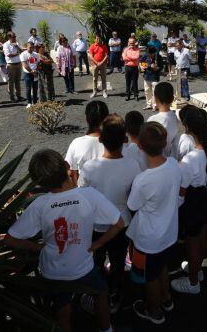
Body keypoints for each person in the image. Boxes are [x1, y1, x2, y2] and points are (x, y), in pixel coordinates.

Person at [5, 149, 123, 332]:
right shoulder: (89, 196)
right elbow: (119, 223)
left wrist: (34, 247)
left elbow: (10, 239)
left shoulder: (39, 205)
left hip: (53, 271)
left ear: (39, 183)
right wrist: (98, 244)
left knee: (62, 307)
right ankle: (106, 329)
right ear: (67, 167)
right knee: (101, 293)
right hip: (84, 267)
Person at [78, 114, 142, 313]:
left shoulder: (89, 168)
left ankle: (95, 294)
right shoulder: (133, 165)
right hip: (122, 222)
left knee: (96, 260)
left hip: (95, 225)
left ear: (100, 139)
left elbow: (82, 197)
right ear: (124, 139)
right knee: (117, 260)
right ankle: (115, 294)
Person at [127, 122, 182, 325]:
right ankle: (166, 299)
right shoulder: (174, 164)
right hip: (169, 232)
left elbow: (133, 205)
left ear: (140, 146)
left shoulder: (143, 180)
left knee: (150, 276)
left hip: (150, 238)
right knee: (161, 267)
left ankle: (155, 310)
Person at [171, 108, 207, 295]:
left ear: (187, 128)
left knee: (192, 240)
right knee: (201, 234)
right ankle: (197, 269)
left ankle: (193, 282)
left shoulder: (188, 160)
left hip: (192, 201)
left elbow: (181, 194)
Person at [65, 100, 109, 183]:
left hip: (83, 191)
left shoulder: (76, 143)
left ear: (87, 118)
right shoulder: (116, 141)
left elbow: (72, 172)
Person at [147, 82, 179, 156]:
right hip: (171, 156)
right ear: (172, 98)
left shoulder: (152, 120)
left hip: (157, 158)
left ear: (155, 98)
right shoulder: (174, 117)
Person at [3, 31, 24, 102]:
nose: (15, 38)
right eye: (13, 37)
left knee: (18, 81)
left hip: (18, 63)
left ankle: (19, 96)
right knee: (11, 81)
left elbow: (21, 51)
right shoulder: (6, 45)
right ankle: (12, 97)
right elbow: (8, 55)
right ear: (9, 37)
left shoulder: (16, 43)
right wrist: (17, 53)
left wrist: (17, 46)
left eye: (15, 36)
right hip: (11, 65)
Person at [139, 46, 162, 110]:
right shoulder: (145, 55)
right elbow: (141, 62)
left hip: (155, 77)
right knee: (147, 91)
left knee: (155, 92)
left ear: (154, 52)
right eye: (149, 54)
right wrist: (144, 66)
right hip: (147, 76)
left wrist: (157, 68)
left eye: (151, 54)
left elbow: (161, 66)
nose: (150, 55)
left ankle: (155, 105)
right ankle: (149, 104)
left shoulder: (158, 57)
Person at [20, 41, 40, 108]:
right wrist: (32, 71)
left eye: (32, 47)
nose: (31, 49)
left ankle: (35, 102)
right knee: (28, 88)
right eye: (30, 47)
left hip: (35, 73)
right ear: (27, 47)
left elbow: (38, 63)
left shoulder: (36, 54)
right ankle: (29, 102)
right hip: (28, 74)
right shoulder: (23, 54)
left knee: (35, 88)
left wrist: (36, 70)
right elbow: (25, 65)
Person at [89, 34, 109, 99]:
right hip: (94, 65)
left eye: (99, 38)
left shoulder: (104, 46)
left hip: (103, 64)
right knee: (95, 79)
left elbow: (106, 56)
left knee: (103, 78)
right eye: (97, 38)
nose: (98, 40)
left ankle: (104, 92)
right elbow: (91, 56)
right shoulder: (92, 46)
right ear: (95, 39)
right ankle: (94, 92)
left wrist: (101, 62)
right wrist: (96, 62)